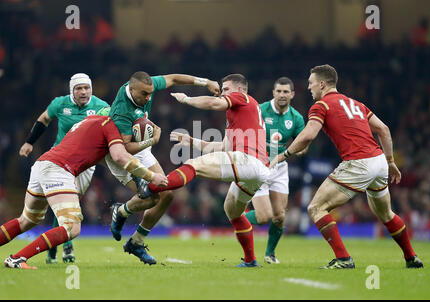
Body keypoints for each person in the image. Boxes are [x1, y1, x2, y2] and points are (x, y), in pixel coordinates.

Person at [271, 64, 423, 269]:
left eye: (311, 83)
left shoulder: (321, 105)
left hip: (358, 163)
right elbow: (383, 130)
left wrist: (285, 155)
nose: (309, 88)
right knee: (386, 214)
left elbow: (308, 135)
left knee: (316, 208)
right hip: (378, 161)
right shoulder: (357, 104)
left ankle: (343, 259)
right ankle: (411, 257)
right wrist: (390, 162)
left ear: (322, 84)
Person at [1, 115, 167, 269]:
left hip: (43, 164)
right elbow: (120, 157)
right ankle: (18, 258)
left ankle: (17, 258)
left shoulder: (90, 120)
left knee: (27, 220)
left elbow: (104, 157)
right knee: (71, 227)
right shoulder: (109, 127)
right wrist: (151, 174)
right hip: (59, 170)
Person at [143, 73, 271, 267]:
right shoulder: (239, 114)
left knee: (194, 165)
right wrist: (192, 141)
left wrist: (186, 99)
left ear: (241, 89)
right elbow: (223, 147)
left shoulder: (243, 98)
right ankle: (251, 260)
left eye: (226, 89)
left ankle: (154, 188)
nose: (222, 92)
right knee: (233, 212)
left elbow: (213, 104)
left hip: (248, 161)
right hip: (257, 170)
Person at [105, 71, 220, 265]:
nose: (148, 98)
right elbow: (124, 148)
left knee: (167, 193)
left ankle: (135, 240)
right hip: (121, 155)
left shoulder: (145, 86)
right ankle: (121, 212)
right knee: (152, 198)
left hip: (141, 149)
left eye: (150, 93)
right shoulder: (121, 110)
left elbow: (174, 78)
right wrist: (153, 140)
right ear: (132, 89)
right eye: (144, 94)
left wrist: (206, 81)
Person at [19, 73, 110, 264]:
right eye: (79, 88)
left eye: (87, 88)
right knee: (60, 202)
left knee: (70, 202)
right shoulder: (60, 104)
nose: (83, 92)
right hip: (59, 160)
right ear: (72, 90)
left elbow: (110, 129)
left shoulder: (101, 106)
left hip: (85, 162)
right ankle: (64, 246)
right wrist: (29, 142)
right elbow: (43, 119)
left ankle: (57, 245)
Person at [243, 77, 305, 264]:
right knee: (263, 217)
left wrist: (294, 151)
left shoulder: (296, 118)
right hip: (258, 166)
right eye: (278, 91)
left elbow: (303, 144)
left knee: (279, 216)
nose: (282, 95)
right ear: (273, 93)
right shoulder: (260, 110)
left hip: (279, 167)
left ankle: (270, 254)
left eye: (286, 92)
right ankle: (237, 216)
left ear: (292, 94)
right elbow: (244, 131)